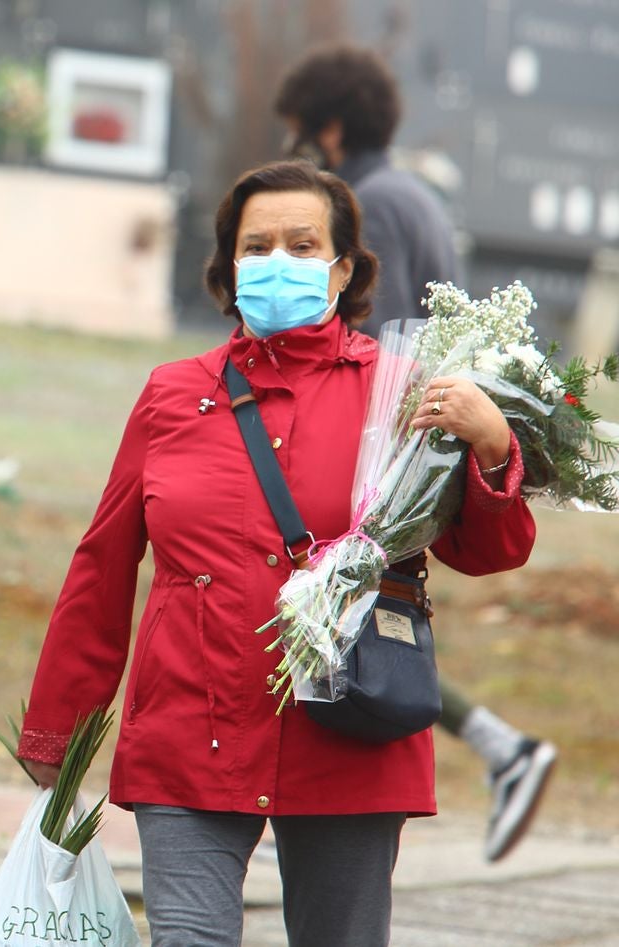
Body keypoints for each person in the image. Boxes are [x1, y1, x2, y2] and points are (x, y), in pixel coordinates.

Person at [16, 160, 536, 946]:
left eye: (302, 243)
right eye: (257, 246)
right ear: (228, 268)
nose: (278, 259)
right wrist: (57, 730)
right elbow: (102, 566)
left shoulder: (406, 389)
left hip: (350, 731)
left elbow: (488, 551)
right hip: (191, 730)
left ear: (345, 268)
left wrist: (494, 446)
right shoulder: (170, 394)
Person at [274, 43, 558, 863]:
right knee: (357, 628)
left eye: (298, 131)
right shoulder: (419, 194)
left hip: (381, 468)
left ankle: (502, 746)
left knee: (347, 625)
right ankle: (501, 746)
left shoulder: (367, 205)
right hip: (423, 462)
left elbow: (378, 351)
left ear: (327, 128)